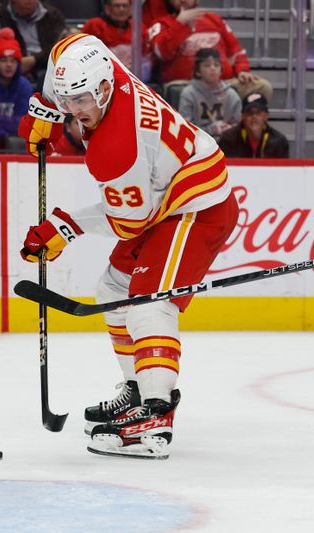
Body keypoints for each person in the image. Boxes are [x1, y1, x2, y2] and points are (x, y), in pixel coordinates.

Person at [17, 33, 239, 459]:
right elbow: (61, 61)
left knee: (149, 302)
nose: (73, 112)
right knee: (113, 291)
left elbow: (130, 222)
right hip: (163, 191)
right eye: (67, 101)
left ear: (103, 88)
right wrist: (45, 111)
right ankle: (136, 388)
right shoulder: (84, 58)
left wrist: (64, 226)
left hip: (195, 206)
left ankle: (155, 412)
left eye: (79, 101)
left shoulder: (116, 148)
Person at [148, 0, 272, 105]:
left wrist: (242, 70)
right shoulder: (161, 24)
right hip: (185, 84)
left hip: (222, 83)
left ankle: (240, 131)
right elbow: (161, 52)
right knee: (177, 92)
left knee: (262, 87)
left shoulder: (214, 19)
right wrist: (180, 23)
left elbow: (236, 51)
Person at [0, 28, 33, 153]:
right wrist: (2, 132)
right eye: (4, 60)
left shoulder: (24, 86)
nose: (9, 65)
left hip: (15, 137)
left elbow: (24, 121)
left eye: (13, 61)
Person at [0, 0, 67, 84]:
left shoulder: (52, 15)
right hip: (14, 68)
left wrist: (34, 60)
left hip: (47, 67)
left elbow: (60, 47)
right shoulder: (0, 17)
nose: (28, 2)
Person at [178, 48, 241, 141]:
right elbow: (184, 128)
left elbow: (240, 126)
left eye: (216, 65)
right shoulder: (189, 94)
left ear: (221, 70)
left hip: (227, 143)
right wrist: (209, 130)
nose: (212, 68)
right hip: (198, 143)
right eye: (207, 65)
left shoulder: (231, 94)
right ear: (198, 71)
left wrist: (230, 129)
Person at [82, 0, 152, 81]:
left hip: (132, 79)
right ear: (107, 9)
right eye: (117, 6)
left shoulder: (138, 27)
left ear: (131, 9)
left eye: (124, 6)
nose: (121, 9)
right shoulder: (94, 25)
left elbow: (145, 58)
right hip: (101, 78)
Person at [218, 92, 289, 159]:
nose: (254, 117)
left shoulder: (279, 142)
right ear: (243, 116)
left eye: (258, 112)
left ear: (266, 115)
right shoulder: (228, 139)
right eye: (249, 112)